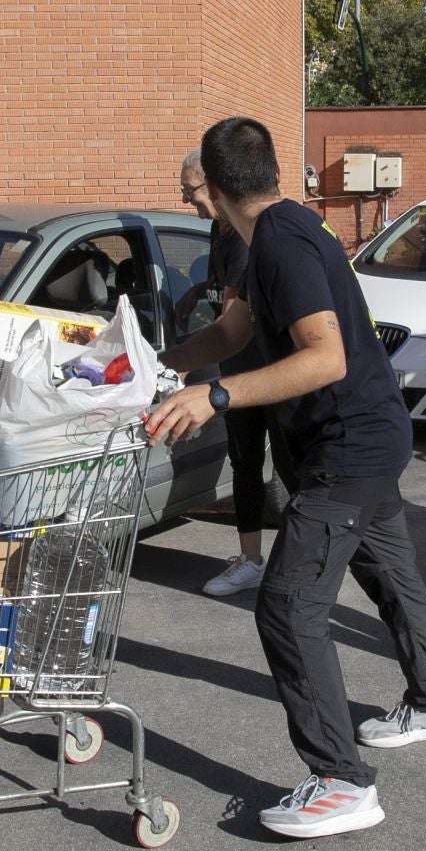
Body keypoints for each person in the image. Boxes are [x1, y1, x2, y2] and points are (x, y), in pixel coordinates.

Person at [146, 116, 426, 841]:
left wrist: (217, 396)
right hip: (373, 438)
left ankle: (342, 783)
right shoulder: (282, 231)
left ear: (216, 188)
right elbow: (231, 333)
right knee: (392, 575)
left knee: (286, 605)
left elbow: (324, 358)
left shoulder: (281, 244)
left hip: (347, 449)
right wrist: (162, 364)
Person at [174, 150, 270, 597]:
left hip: (254, 365)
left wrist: (178, 361)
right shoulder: (219, 228)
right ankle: (252, 557)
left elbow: (233, 318)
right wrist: (195, 291)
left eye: (190, 191)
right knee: (245, 460)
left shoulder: (247, 238)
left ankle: (256, 561)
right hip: (233, 359)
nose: (187, 200)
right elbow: (221, 288)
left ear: (213, 185)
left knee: (255, 460)